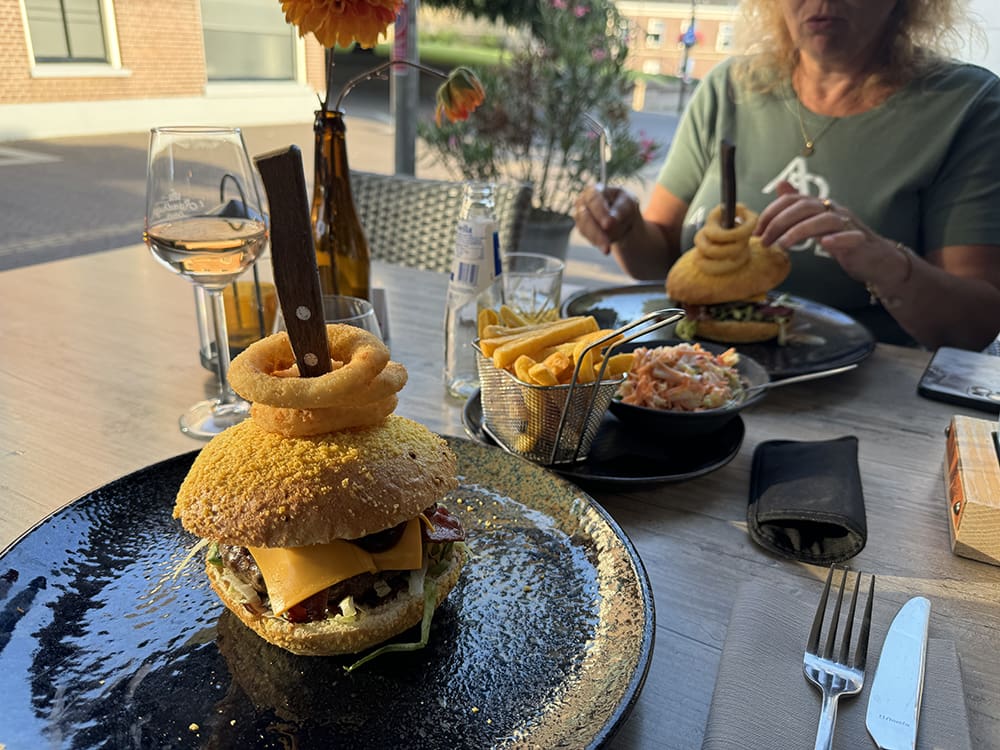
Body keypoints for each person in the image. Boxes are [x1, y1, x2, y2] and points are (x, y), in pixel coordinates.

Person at [574, 0, 1000, 350]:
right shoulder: (729, 87)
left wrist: (887, 264)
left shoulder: (965, 106)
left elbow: (976, 326)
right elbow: (662, 261)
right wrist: (625, 228)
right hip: (698, 378)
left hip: (864, 399)